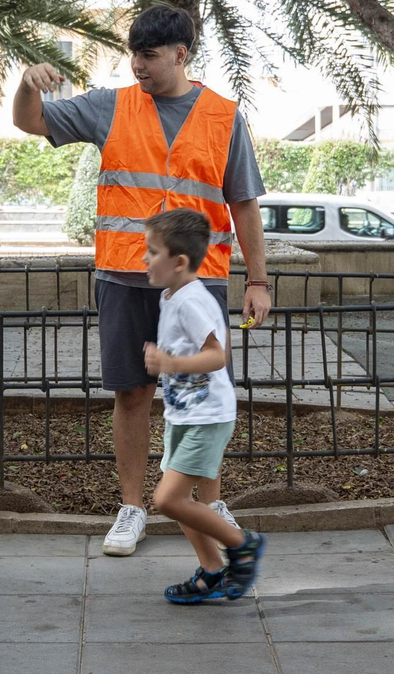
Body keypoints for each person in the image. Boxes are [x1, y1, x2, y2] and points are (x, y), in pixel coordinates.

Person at [12, 4, 271, 556]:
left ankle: (207, 499)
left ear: (181, 54)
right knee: (133, 394)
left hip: (197, 285)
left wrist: (258, 280)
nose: (137, 65)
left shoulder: (225, 116)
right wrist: (27, 85)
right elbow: (30, 121)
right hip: (125, 276)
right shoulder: (112, 106)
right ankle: (132, 508)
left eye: (149, 55)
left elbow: (244, 203)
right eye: (133, 54)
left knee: (202, 391)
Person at [141, 208, 267, 603]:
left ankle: (242, 545)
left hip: (207, 417)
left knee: (167, 500)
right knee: (178, 502)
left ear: (178, 262)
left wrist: (171, 363)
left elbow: (217, 356)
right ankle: (212, 571)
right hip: (184, 414)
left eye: (152, 251)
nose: (145, 258)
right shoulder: (173, 296)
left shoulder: (192, 301)